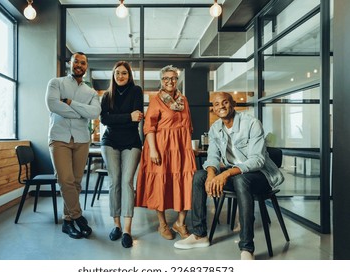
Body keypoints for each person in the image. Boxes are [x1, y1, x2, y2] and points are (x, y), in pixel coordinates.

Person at [174, 92, 284, 260]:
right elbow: (212, 157)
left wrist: (225, 173)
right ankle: (199, 235)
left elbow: (257, 160)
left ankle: (247, 248)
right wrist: (211, 174)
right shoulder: (215, 128)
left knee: (241, 179)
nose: (221, 107)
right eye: (217, 104)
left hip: (261, 176)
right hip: (236, 176)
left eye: (225, 102)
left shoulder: (252, 124)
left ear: (233, 104)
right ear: (214, 109)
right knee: (199, 176)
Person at [135, 65, 196, 241]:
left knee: (186, 183)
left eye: (173, 78)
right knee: (160, 185)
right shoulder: (156, 100)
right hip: (161, 148)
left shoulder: (184, 100)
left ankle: (180, 223)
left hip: (181, 148)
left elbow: (188, 126)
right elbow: (149, 128)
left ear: (177, 80)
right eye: (166, 78)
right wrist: (153, 150)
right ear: (161, 81)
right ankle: (162, 224)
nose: (170, 81)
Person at [45, 52, 101, 239]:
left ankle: (67, 222)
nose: (79, 65)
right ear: (70, 63)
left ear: (86, 66)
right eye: (76, 61)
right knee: (65, 180)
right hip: (59, 137)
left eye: (83, 62)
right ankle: (78, 217)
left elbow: (94, 113)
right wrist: (80, 112)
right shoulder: (56, 83)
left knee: (76, 183)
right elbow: (53, 105)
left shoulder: (91, 92)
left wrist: (69, 103)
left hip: (81, 140)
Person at [100, 61, 144, 248]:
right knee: (114, 181)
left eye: (124, 73)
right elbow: (104, 119)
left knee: (127, 182)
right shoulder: (107, 95)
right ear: (113, 75)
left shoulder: (136, 91)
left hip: (131, 142)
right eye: (117, 73)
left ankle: (127, 229)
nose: (120, 76)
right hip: (110, 142)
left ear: (129, 75)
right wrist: (127, 116)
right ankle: (116, 225)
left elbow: (136, 120)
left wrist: (117, 119)